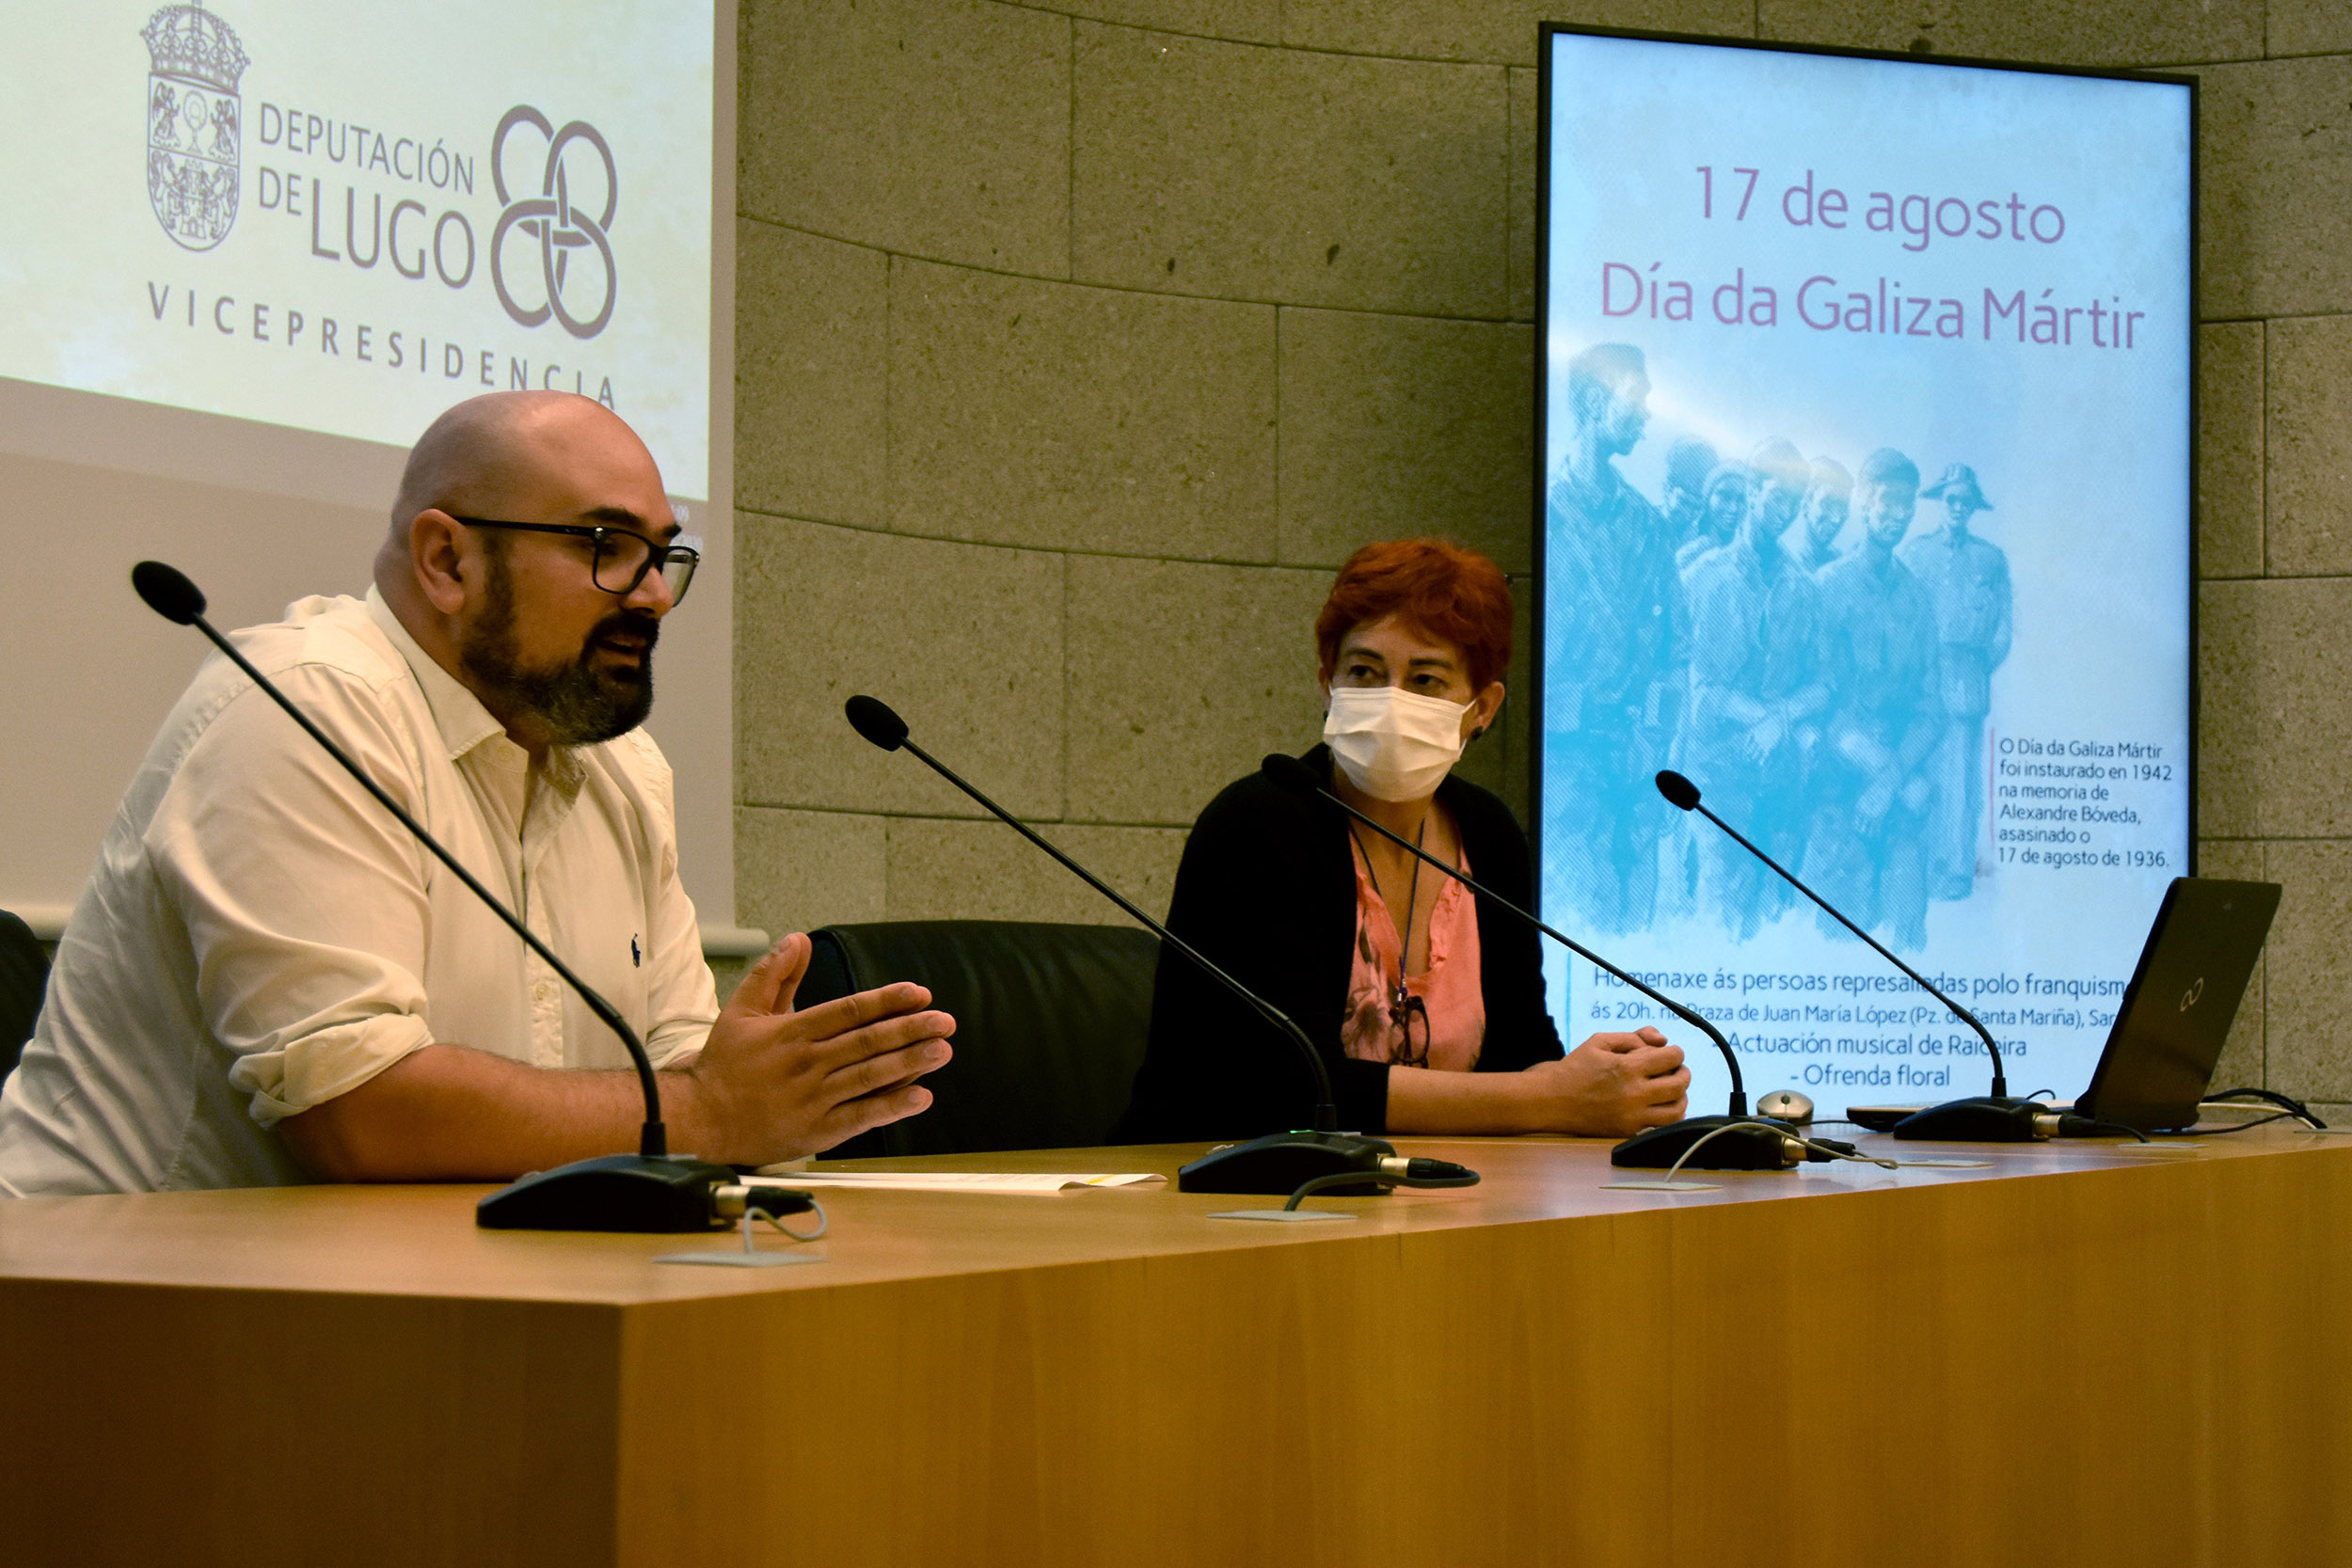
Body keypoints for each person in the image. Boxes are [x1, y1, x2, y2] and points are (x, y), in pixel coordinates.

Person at [0, 392, 954, 1195]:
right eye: (605, 544)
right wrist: (710, 1109)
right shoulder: (305, 705)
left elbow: (681, 1066)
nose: (653, 594)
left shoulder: (625, 770)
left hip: (422, 1305)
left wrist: (741, 1089)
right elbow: (355, 1113)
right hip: (110, 1316)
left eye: (663, 554)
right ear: (447, 560)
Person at [1118, 539, 1692, 1143]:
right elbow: (1283, 1090)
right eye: (1364, 672)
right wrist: (1550, 1096)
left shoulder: (1489, 834)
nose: (1391, 700)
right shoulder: (1261, 823)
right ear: (1326, 683)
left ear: (1482, 708)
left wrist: (1613, 1081)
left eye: (1425, 679)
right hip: (1216, 1195)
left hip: (1432, 1206)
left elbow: (1520, 1052)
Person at [1544, 343, 1684, 937]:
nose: (1647, 412)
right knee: (1586, 928)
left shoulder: (1647, 524)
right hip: (1566, 773)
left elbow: (1675, 652)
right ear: (1595, 401)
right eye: (1638, 397)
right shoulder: (1545, 515)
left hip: (1639, 766)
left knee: (1641, 937)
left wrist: (1660, 747)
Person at [1679, 441, 1828, 940]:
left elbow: (1824, 685)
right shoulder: (1703, 578)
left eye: (1793, 500)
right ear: (1751, 490)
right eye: (1774, 493)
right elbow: (1695, 685)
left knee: (1773, 924)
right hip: (1714, 777)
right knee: (1719, 914)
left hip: (1780, 779)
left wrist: (1780, 718)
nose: (1782, 509)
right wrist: (1757, 718)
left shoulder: (1804, 589)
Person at [1803, 449, 1944, 953]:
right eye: (1888, 504)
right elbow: (1821, 699)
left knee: (1908, 944)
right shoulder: (1828, 588)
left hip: (1900, 796)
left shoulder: (1919, 601)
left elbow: (1932, 711)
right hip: (1841, 796)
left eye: (1908, 507)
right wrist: (1881, 774)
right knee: (1837, 942)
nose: (1898, 516)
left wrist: (1891, 778)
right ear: (1863, 502)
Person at [1899, 463, 2012, 901]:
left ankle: (1956, 869)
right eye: (1952, 499)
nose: (1958, 507)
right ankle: (1923, 865)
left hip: (1966, 676)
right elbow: (1903, 617)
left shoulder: (1990, 558)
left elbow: (2002, 629)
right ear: (1941, 502)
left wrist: (1978, 667)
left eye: (1966, 501)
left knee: (1960, 779)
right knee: (1920, 768)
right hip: (1923, 678)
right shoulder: (1915, 553)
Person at [1789, 456, 1852, 575]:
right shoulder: (1788, 564)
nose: (1836, 519)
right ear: (1806, 503)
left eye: (1843, 506)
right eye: (1827, 505)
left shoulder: (1844, 565)